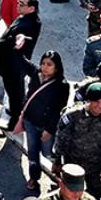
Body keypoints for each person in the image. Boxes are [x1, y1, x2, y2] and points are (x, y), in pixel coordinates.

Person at [15, 51, 69, 190]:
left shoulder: (62, 85)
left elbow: (59, 110)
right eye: (43, 63)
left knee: (48, 153)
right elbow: (22, 61)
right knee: (32, 152)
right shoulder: (35, 74)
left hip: (46, 126)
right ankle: (34, 177)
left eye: (49, 64)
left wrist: (50, 130)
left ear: (56, 67)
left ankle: (59, 175)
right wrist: (15, 47)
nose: (45, 67)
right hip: (30, 121)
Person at [52, 83, 101, 200]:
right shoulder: (72, 115)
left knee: (93, 196)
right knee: (68, 194)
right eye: (96, 102)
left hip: (96, 167)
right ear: (88, 101)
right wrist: (57, 161)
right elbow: (61, 139)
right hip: (73, 163)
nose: (100, 106)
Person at [0, 0, 41, 130]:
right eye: (19, 2)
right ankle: (14, 111)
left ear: (31, 8)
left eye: (21, 4)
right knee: (12, 92)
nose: (18, 6)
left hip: (15, 66)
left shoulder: (29, 24)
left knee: (15, 95)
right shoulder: (24, 18)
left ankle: (15, 123)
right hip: (9, 64)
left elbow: (14, 41)